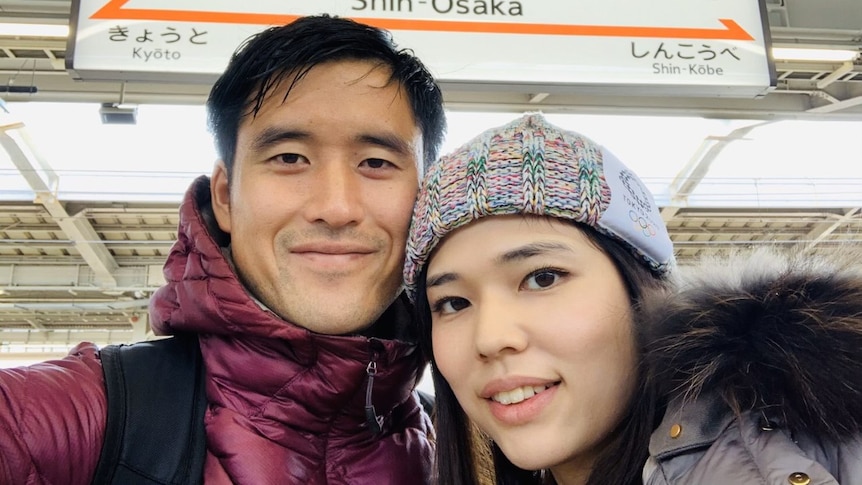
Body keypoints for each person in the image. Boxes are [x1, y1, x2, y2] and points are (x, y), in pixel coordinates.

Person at [0, 14, 446, 485]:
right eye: (289, 158)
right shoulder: (64, 418)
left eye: (376, 162)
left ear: (426, 197)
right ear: (224, 197)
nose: (335, 208)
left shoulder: (465, 444)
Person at [403, 113, 862, 485]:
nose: (491, 338)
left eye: (542, 278)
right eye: (453, 303)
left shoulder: (826, 448)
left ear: (646, 291)